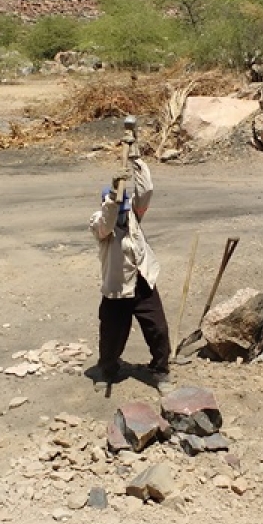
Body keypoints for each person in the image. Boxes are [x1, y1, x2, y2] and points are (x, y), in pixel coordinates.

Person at [88, 127, 174, 394]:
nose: (126, 216)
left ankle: (160, 371)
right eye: (120, 211)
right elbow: (108, 220)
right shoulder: (100, 226)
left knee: (157, 329)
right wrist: (114, 194)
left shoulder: (135, 216)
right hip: (116, 288)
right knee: (112, 335)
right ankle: (108, 368)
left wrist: (136, 159)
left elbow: (146, 190)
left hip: (142, 282)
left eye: (126, 210)